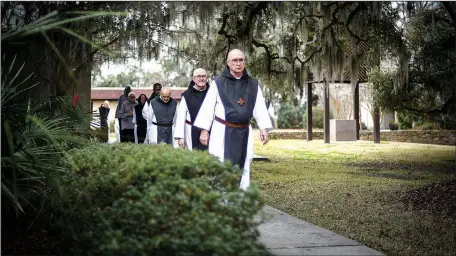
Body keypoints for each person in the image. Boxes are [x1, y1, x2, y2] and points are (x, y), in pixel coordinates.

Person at [194, 49, 273, 190]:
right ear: (228, 63)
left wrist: (263, 128)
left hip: (244, 131)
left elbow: (259, 106)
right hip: (222, 131)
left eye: (241, 60)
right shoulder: (217, 83)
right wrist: (204, 130)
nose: (238, 63)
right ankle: (220, 198)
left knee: (245, 162)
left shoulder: (253, 84)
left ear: (245, 62)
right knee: (220, 161)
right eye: (235, 60)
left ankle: (241, 196)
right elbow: (208, 107)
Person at [174, 68, 211, 151]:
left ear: (207, 78)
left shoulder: (212, 93)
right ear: (194, 79)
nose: (201, 78)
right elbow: (181, 117)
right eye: (199, 76)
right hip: (191, 131)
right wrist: (180, 137)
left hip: (210, 131)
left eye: (203, 76)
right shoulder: (187, 95)